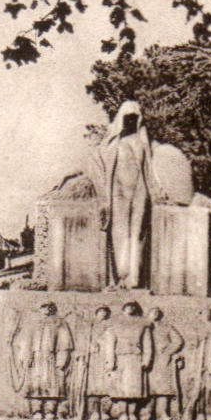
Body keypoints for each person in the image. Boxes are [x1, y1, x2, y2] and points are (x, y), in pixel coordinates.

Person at [88, 101, 158, 289]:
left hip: (139, 192)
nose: (131, 122)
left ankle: (134, 278)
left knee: (136, 235)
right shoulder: (111, 144)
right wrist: (104, 197)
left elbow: (149, 171)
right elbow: (97, 165)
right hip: (118, 193)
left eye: (134, 118)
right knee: (119, 234)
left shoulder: (143, 143)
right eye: (127, 118)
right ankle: (121, 275)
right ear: (121, 119)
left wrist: (155, 192)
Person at [15, 302, 75, 419]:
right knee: (35, 385)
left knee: (52, 384)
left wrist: (62, 359)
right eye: (43, 307)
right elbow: (24, 342)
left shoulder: (59, 323)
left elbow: (64, 344)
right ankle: (36, 409)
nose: (46, 309)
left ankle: (50, 410)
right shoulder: (31, 324)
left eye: (48, 307)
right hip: (35, 358)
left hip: (51, 357)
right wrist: (25, 357)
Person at [107, 300, 154, 420]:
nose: (130, 309)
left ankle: (132, 412)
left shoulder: (142, 324)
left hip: (136, 358)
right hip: (121, 357)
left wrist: (146, 360)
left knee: (135, 388)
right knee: (121, 388)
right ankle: (123, 412)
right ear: (123, 308)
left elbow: (147, 343)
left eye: (133, 307)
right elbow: (110, 343)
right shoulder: (115, 323)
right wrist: (111, 360)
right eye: (128, 306)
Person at [146, 308, 186, 420]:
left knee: (163, 387)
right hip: (147, 360)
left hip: (162, 360)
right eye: (153, 312)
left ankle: (163, 413)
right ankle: (146, 413)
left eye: (158, 312)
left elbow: (178, 341)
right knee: (148, 387)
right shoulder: (144, 327)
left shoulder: (167, 327)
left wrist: (168, 351)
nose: (155, 314)